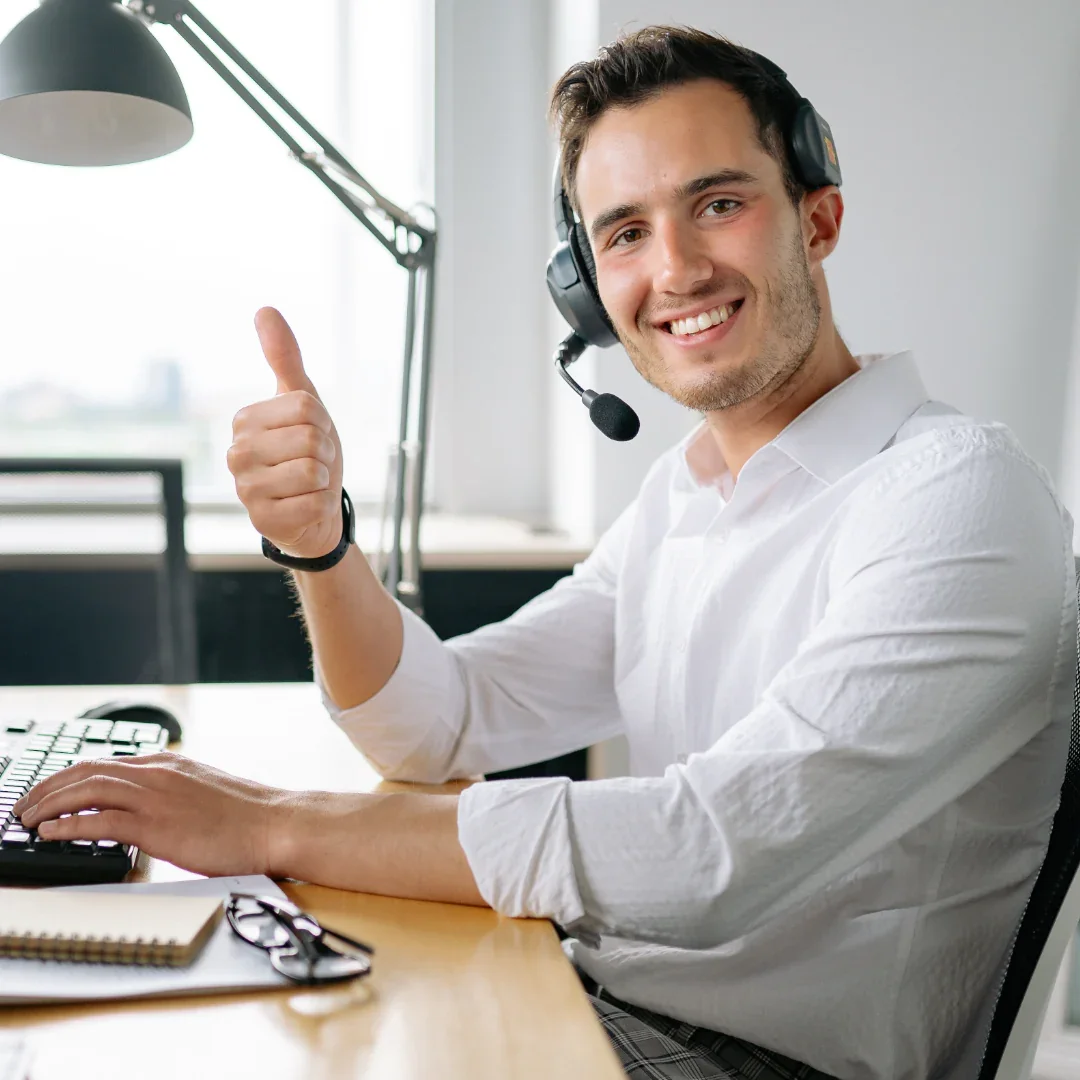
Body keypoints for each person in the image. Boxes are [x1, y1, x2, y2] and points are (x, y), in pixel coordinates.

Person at [13, 25, 1078, 1080]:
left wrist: (271, 825)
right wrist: (321, 547)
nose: (676, 268)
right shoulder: (690, 500)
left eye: (718, 203)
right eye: (623, 233)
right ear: (588, 287)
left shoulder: (956, 497)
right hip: (610, 1002)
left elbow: (710, 855)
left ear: (818, 216)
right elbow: (440, 723)